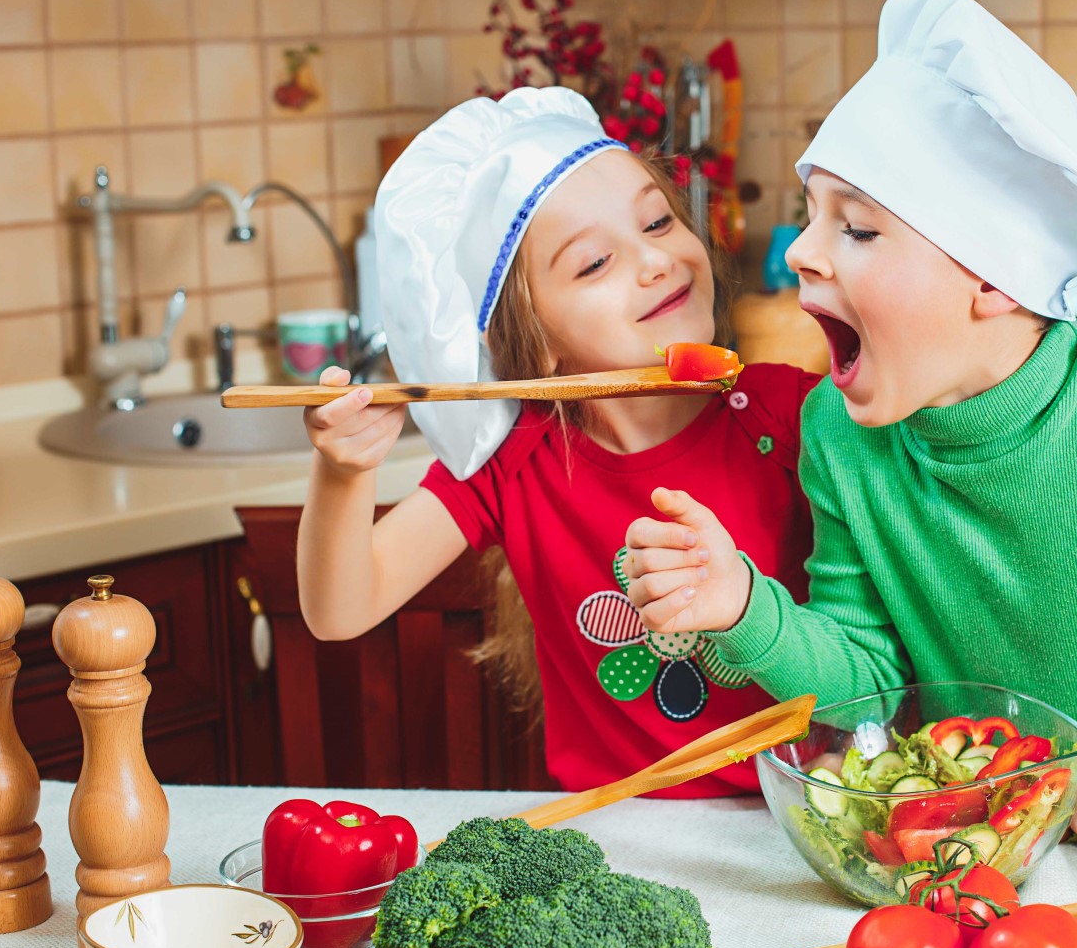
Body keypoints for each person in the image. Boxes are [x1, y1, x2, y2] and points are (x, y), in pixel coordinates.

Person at [623, 0, 1077, 846]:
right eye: (814, 216)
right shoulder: (841, 434)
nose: (803, 253)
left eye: (857, 228)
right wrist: (744, 607)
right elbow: (872, 685)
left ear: (993, 278)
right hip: (976, 839)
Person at [296, 87, 817, 797]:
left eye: (660, 222)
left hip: (804, 825)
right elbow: (339, 611)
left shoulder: (790, 413)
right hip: (622, 842)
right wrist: (343, 471)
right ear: (536, 342)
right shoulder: (517, 462)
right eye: (594, 263)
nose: (655, 260)